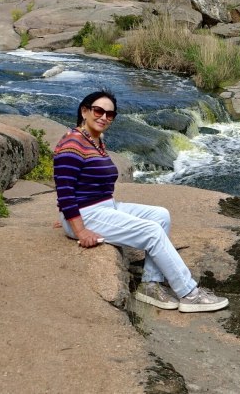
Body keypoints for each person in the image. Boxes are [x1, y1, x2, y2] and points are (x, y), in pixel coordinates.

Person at [53, 90, 228, 313]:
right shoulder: (72, 145)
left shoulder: (94, 140)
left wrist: (66, 215)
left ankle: (150, 285)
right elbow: (64, 189)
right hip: (89, 214)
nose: (104, 117)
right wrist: (77, 228)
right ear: (85, 111)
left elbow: (77, 185)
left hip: (104, 207)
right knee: (152, 231)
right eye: (98, 111)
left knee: (161, 215)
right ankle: (189, 293)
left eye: (110, 114)